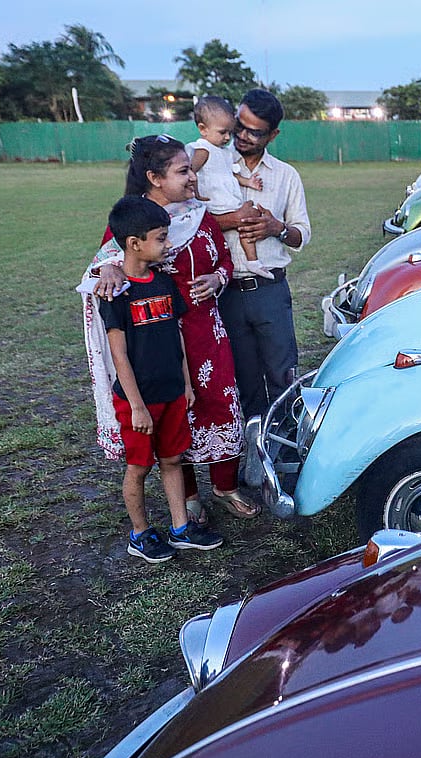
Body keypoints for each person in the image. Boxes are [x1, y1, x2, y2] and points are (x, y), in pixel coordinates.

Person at [82, 134, 260, 523]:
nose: (192, 178)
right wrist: (108, 267)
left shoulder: (198, 214)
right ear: (155, 177)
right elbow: (108, 264)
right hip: (160, 339)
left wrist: (217, 279)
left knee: (219, 403)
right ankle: (189, 498)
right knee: (177, 413)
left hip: (208, 333)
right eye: (183, 171)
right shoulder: (136, 220)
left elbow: (225, 261)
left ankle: (225, 486)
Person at [97, 195, 223, 563]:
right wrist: (136, 406)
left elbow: (178, 337)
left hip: (171, 393)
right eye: (161, 238)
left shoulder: (165, 284)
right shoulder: (116, 293)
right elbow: (117, 355)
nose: (168, 245)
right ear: (135, 243)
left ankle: (181, 528)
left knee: (173, 460)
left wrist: (185, 384)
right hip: (139, 401)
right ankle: (140, 533)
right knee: (139, 468)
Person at [213, 88, 312, 423]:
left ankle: (285, 448)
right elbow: (191, 221)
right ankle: (252, 453)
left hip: (270, 289)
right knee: (243, 379)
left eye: (253, 131)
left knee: (283, 375)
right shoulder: (212, 163)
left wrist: (276, 227)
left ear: (273, 134)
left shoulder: (286, 176)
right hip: (224, 291)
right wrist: (234, 220)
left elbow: (301, 234)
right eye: (238, 125)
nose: (241, 136)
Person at [187, 95, 271, 278]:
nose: (227, 137)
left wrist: (248, 182)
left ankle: (253, 261)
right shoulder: (203, 150)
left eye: (230, 133)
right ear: (203, 129)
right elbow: (189, 173)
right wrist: (196, 193)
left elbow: (231, 174)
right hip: (214, 202)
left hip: (230, 200)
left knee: (249, 220)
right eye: (222, 132)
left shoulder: (225, 153)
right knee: (226, 231)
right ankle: (219, 267)